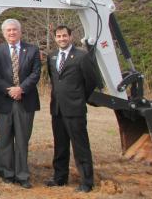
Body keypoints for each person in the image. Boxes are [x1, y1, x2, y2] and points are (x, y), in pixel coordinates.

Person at [0, 19, 41, 189]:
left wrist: (21, 89)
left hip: (25, 101)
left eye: (14, 30)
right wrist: (9, 90)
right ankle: (7, 173)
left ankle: (22, 175)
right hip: (4, 101)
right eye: (8, 30)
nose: (12, 33)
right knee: (5, 139)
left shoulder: (32, 50)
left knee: (22, 140)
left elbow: (36, 73)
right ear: (4, 33)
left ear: (20, 31)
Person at [44, 25, 98, 193]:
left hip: (75, 109)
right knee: (60, 146)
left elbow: (92, 81)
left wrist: (79, 97)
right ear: (55, 38)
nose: (62, 39)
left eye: (64, 36)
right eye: (59, 36)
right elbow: (54, 79)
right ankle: (60, 178)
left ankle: (86, 182)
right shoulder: (52, 57)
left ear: (70, 37)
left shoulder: (82, 56)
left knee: (80, 146)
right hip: (57, 109)